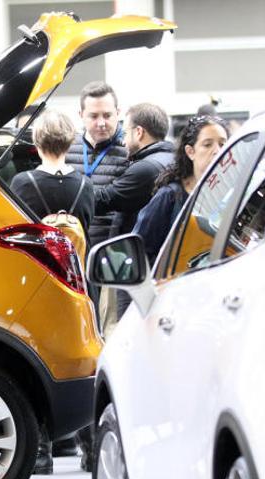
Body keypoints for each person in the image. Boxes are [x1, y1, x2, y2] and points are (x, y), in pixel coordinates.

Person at [10, 108, 94, 476]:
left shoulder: (23, 183)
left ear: (36, 142)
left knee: (35, 364)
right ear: (71, 141)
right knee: (81, 362)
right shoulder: (85, 184)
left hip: (39, 286)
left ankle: (41, 450)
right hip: (77, 285)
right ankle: (89, 447)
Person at [94, 103, 175, 320]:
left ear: (139, 132)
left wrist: (73, 187)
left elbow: (104, 199)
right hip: (153, 264)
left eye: (126, 131)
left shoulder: (147, 168)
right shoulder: (169, 160)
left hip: (136, 266)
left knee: (124, 328)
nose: (122, 139)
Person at [133, 115, 229, 264]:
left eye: (223, 144)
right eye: (207, 144)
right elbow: (140, 250)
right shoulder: (170, 196)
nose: (218, 151)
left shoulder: (232, 195)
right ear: (190, 152)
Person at [65, 81, 129, 246]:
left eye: (107, 115)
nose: (101, 123)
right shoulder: (67, 148)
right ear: (81, 115)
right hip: (73, 248)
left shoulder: (130, 150)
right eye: (94, 116)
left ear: (118, 113)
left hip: (113, 249)